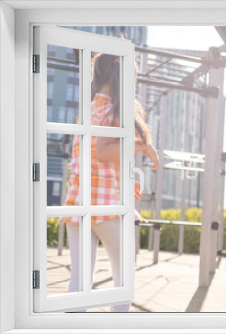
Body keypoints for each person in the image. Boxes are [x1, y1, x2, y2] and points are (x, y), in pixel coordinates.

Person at [60, 53, 159, 312]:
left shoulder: (88, 110)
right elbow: (104, 152)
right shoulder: (113, 111)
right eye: (133, 78)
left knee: (79, 280)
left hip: (79, 204)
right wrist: (143, 147)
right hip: (108, 207)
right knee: (123, 278)